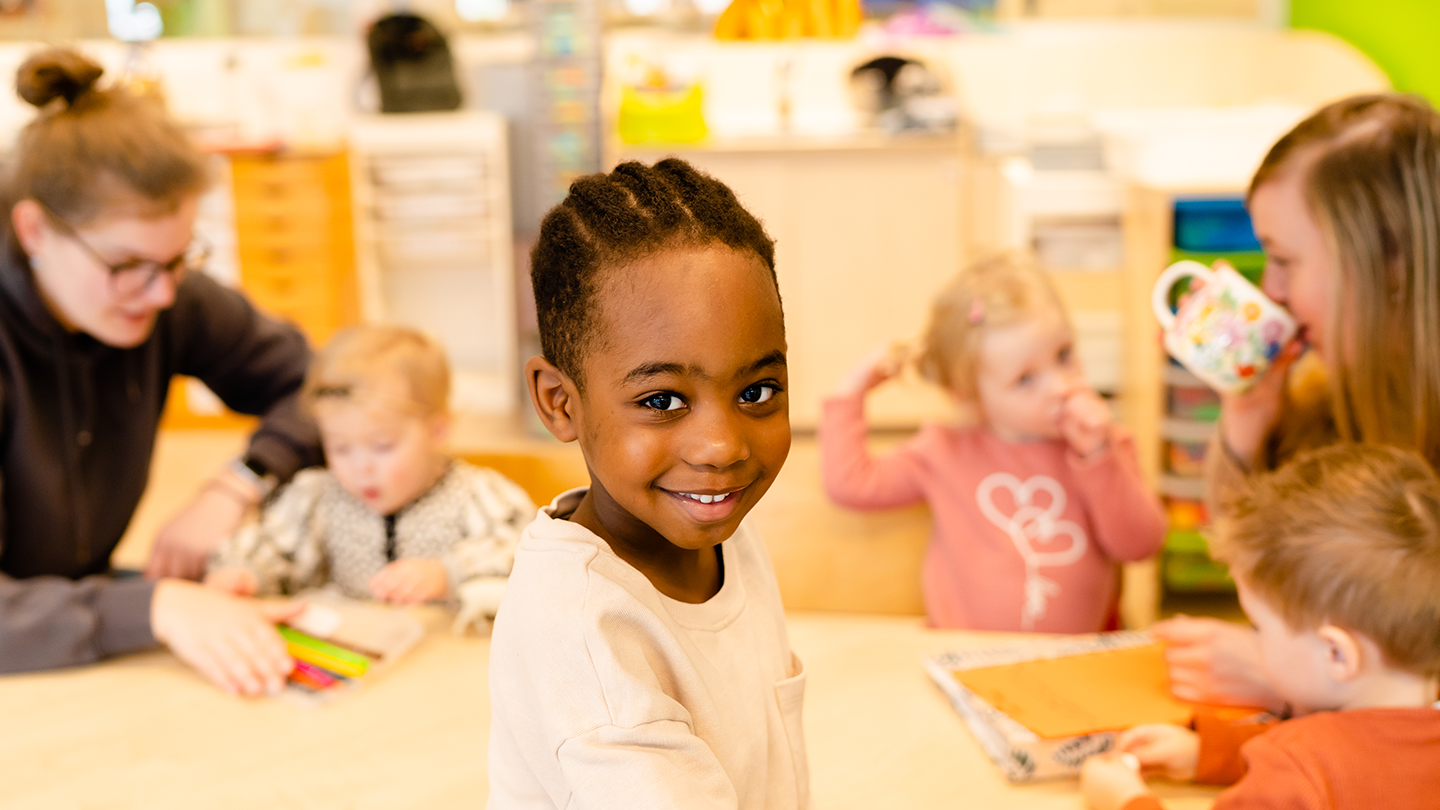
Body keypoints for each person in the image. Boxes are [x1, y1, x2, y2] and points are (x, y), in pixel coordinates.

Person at [0, 47, 324, 694]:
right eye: (127, 266)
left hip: (79, 626)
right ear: (34, 230)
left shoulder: (163, 293)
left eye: (179, 261)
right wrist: (155, 606)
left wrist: (239, 483)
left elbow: (329, 387)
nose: (163, 296)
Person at [487, 159, 809, 808]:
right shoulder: (587, 638)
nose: (723, 447)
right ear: (559, 403)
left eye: (758, 391)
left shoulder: (717, 530)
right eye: (663, 401)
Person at [1153, 93, 1440, 710]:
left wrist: (1289, 677)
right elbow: (1255, 562)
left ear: (1389, 262)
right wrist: (1247, 416)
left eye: (1284, 260)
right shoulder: (1325, 393)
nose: (1270, 291)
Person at [1081, 443, 1440, 810]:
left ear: (1337, 655)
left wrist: (1124, 802)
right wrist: (1209, 752)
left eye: (1258, 627)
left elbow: (1306, 764)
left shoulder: (1292, 769)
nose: (1252, 639)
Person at [819, 256, 1166, 632]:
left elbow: (1140, 545)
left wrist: (1098, 456)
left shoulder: (1106, 445)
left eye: (1064, 355)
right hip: (963, 659)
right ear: (968, 396)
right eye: (1024, 379)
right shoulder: (944, 451)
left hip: (1078, 664)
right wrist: (851, 393)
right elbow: (851, 484)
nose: (1060, 386)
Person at [205, 325, 534, 630]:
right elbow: (276, 548)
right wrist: (245, 572)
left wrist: (448, 573)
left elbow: (526, 551)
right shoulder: (318, 497)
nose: (360, 468)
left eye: (382, 446)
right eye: (340, 448)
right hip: (360, 653)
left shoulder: (476, 494)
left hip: (447, 656)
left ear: (437, 430)